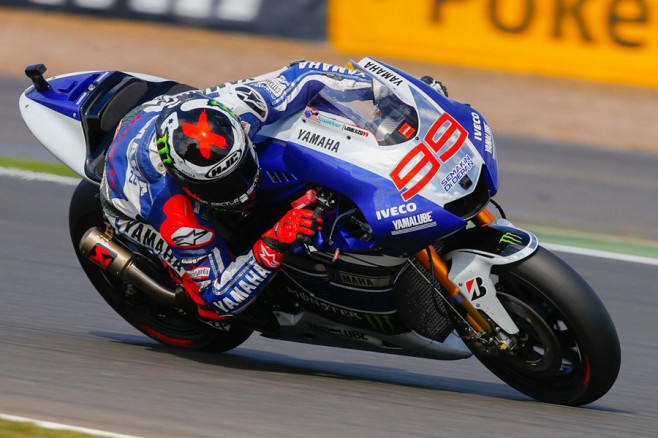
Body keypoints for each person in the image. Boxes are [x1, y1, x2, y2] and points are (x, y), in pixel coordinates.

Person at [100, 60, 447, 322]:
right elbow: (219, 297)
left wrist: (387, 95)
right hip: (126, 204)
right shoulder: (170, 207)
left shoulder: (239, 107)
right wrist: (275, 240)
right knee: (208, 307)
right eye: (220, 186)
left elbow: (308, 75)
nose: (236, 191)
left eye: (238, 173)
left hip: (172, 117)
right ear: (184, 180)